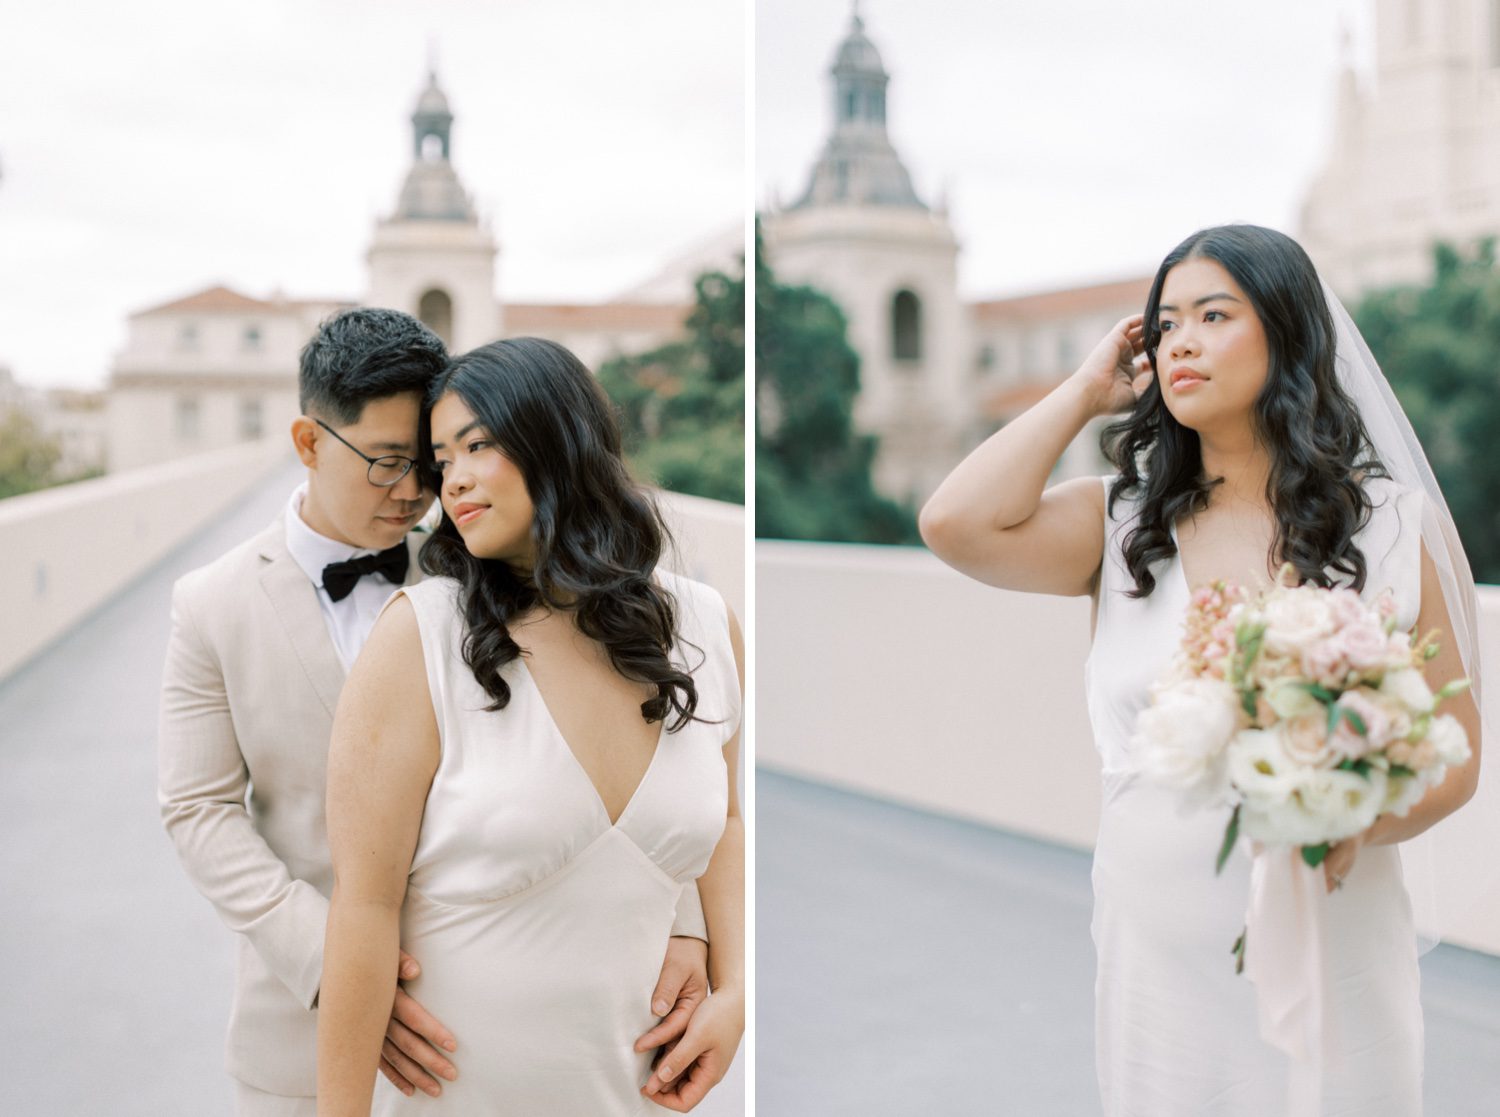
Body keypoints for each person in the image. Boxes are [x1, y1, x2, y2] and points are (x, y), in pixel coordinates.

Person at [920, 224, 1483, 1115]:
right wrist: (1082, 390)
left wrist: (1348, 826)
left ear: (1287, 332)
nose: (1179, 339)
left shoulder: (1390, 527)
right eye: (1165, 322)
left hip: (1336, 936)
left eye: (1212, 315)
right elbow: (955, 523)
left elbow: (1453, 758)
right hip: (1160, 955)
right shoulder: (1118, 526)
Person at [159, 310, 712, 1116]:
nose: (418, 489)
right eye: (388, 463)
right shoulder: (211, 603)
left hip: (496, 1039)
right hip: (302, 1023)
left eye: (429, 460)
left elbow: (648, 737)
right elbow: (196, 809)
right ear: (308, 442)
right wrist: (339, 963)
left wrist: (688, 919)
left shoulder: (489, 557)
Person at [316, 337, 745, 1116]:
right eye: (442, 459)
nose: (455, 480)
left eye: (478, 443)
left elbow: (729, 824)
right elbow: (363, 908)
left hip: (646, 1094)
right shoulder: (422, 636)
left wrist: (737, 983)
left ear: (559, 437)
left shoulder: (706, 627)